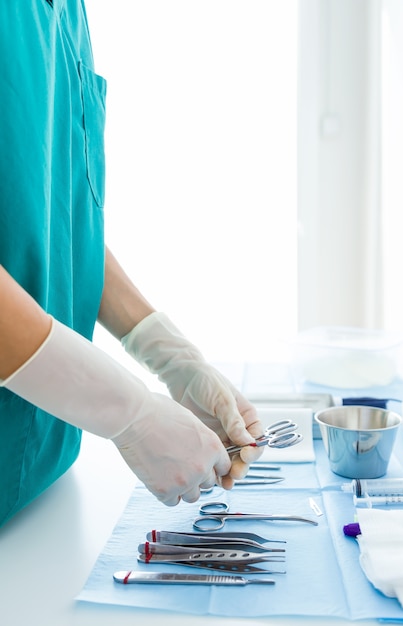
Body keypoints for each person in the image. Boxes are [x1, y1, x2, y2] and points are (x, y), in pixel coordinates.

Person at [0, 0, 263, 528]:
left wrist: (165, 352)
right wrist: (128, 412)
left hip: (40, 497)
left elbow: (55, 223)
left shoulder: (61, 13)